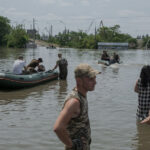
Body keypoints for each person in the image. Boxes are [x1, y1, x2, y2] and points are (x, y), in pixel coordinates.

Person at [53, 63, 100, 150]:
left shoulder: (82, 95)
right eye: (90, 79)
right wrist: (71, 145)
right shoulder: (74, 102)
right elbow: (58, 128)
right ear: (79, 80)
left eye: (95, 78)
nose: (95, 82)